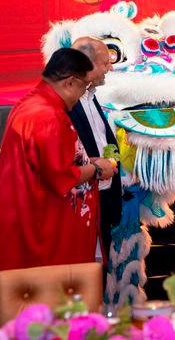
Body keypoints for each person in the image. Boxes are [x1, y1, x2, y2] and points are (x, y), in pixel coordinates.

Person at [0, 48, 117, 277]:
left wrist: (85, 159)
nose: (82, 94)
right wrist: (96, 169)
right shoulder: (47, 116)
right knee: (52, 306)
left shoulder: (33, 103)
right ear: (70, 82)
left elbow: (47, 161)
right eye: (83, 86)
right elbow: (60, 176)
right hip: (44, 234)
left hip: (34, 223)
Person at [69, 37, 122, 265]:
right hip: (80, 206)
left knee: (99, 276)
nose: (110, 68)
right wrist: (97, 167)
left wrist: (115, 161)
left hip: (104, 199)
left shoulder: (91, 97)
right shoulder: (66, 103)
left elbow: (104, 139)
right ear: (88, 65)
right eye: (105, 63)